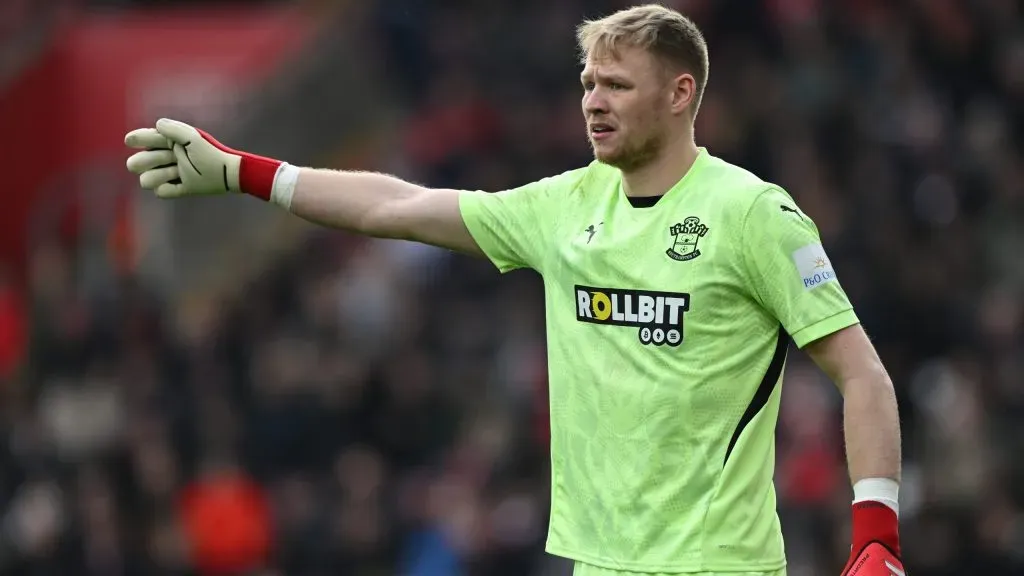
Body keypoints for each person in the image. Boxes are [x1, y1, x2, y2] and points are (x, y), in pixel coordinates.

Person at [124, 4, 905, 576]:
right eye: (588, 82)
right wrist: (244, 172)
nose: (593, 101)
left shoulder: (753, 215)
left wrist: (875, 535)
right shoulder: (562, 207)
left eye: (617, 85)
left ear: (679, 94)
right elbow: (397, 205)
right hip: (595, 565)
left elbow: (861, 372)